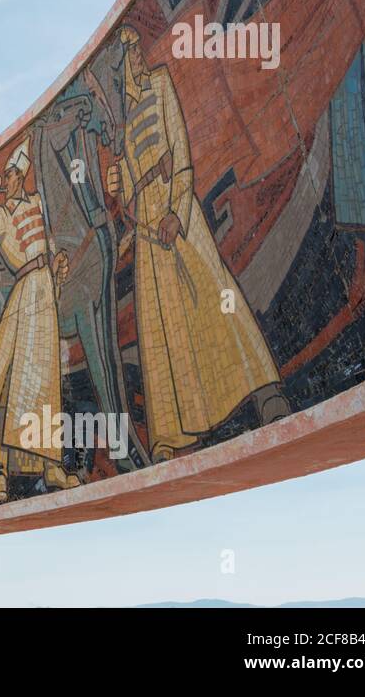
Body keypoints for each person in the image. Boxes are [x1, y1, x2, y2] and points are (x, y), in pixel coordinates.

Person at [104, 25, 287, 461]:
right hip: (148, 230)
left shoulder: (162, 84)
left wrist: (176, 211)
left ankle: (266, 393)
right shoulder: (121, 122)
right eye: (127, 53)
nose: (135, 58)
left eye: (134, 48)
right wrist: (120, 184)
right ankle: (172, 436)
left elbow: (180, 153)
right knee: (164, 330)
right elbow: (130, 185)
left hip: (177, 215)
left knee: (217, 297)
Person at [0, 139, 78, 504]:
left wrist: (58, 262)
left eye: (10, 175)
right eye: (5, 176)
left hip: (45, 286)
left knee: (45, 381)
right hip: (24, 289)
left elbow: (53, 240)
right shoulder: (2, 216)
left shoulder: (39, 203)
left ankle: (50, 465)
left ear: (21, 175)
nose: (6, 180)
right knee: (9, 382)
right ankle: (0, 473)